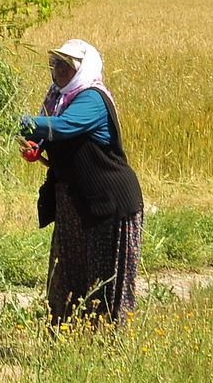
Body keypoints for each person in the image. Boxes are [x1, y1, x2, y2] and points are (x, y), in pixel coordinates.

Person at [20, 39, 144, 325]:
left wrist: (18, 121)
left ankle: (107, 351)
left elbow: (64, 127)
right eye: (56, 64)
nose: (59, 70)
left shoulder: (92, 98)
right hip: (73, 204)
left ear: (82, 69)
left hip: (108, 204)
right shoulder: (56, 98)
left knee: (105, 284)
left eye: (66, 64)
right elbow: (45, 133)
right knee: (67, 278)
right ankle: (69, 343)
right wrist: (34, 146)